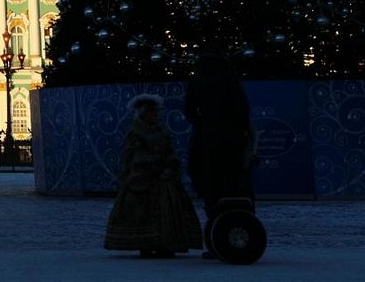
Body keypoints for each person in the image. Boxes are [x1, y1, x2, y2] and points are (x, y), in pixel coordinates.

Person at [104, 94, 203, 258]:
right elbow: (132, 155)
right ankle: (146, 243)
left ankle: (167, 243)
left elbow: (170, 151)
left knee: (166, 209)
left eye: (156, 112)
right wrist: (138, 173)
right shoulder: (136, 132)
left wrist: (170, 167)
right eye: (152, 112)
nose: (155, 115)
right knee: (143, 210)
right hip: (143, 179)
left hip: (164, 178)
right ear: (143, 113)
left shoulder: (161, 131)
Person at [186, 52, 256, 256]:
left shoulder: (198, 81)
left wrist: (202, 125)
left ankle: (217, 233)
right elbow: (243, 111)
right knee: (235, 187)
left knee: (212, 188)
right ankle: (237, 229)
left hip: (207, 142)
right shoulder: (232, 82)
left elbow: (190, 109)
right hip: (234, 142)